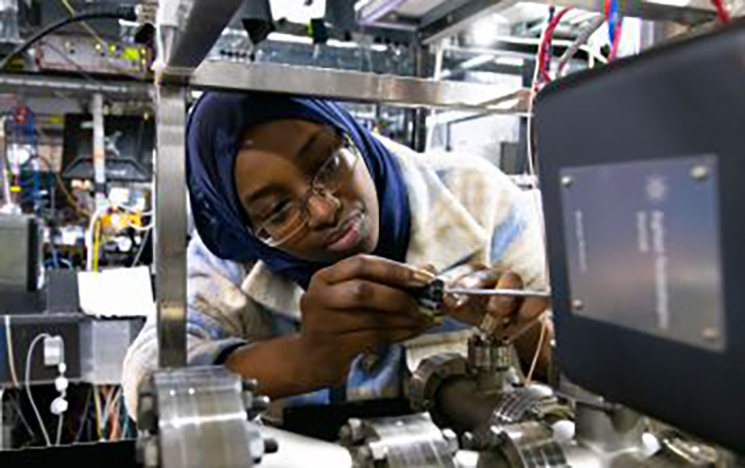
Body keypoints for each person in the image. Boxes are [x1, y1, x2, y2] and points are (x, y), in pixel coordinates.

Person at [122, 91, 551, 415]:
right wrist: (303, 359)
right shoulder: (231, 259)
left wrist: (513, 326)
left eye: (327, 163)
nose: (325, 210)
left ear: (349, 131)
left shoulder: (477, 196)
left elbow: (575, 370)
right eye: (277, 210)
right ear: (246, 226)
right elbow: (146, 386)